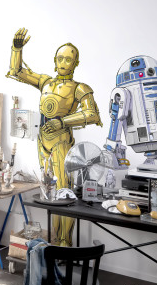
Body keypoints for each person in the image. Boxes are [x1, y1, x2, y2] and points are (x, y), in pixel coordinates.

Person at [6, 28, 102, 246]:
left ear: (75, 63)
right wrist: (16, 50)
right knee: (48, 190)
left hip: (61, 140)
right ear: (54, 60)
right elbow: (16, 71)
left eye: (68, 59)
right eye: (60, 58)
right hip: (43, 140)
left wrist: (62, 122)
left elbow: (92, 114)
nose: (63, 63)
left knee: (64, 192)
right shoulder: (46, 82)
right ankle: (55, 242)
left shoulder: (80, 88)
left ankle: (64, 241)